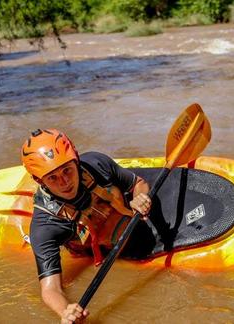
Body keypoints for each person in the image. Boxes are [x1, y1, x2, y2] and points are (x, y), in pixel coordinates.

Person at [21, 129, 152, 323]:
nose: (65, 182)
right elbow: (50, 289)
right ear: (39, 181)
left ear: (76, 161)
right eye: (53, 178)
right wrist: (65, 310)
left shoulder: (96, 164)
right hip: (102, 251)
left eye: (67, 170)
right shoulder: (44, 227)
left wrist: (140, 197)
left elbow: (138, 183)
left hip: (130, 226)